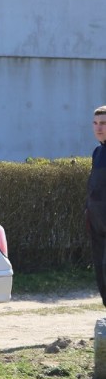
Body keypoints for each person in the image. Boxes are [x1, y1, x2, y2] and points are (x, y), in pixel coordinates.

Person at [86, 104, 106, 309]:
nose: (98, 128)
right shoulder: (97, 152)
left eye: (103, 123)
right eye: (95, 123)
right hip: (97, 226)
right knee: (100, 273)